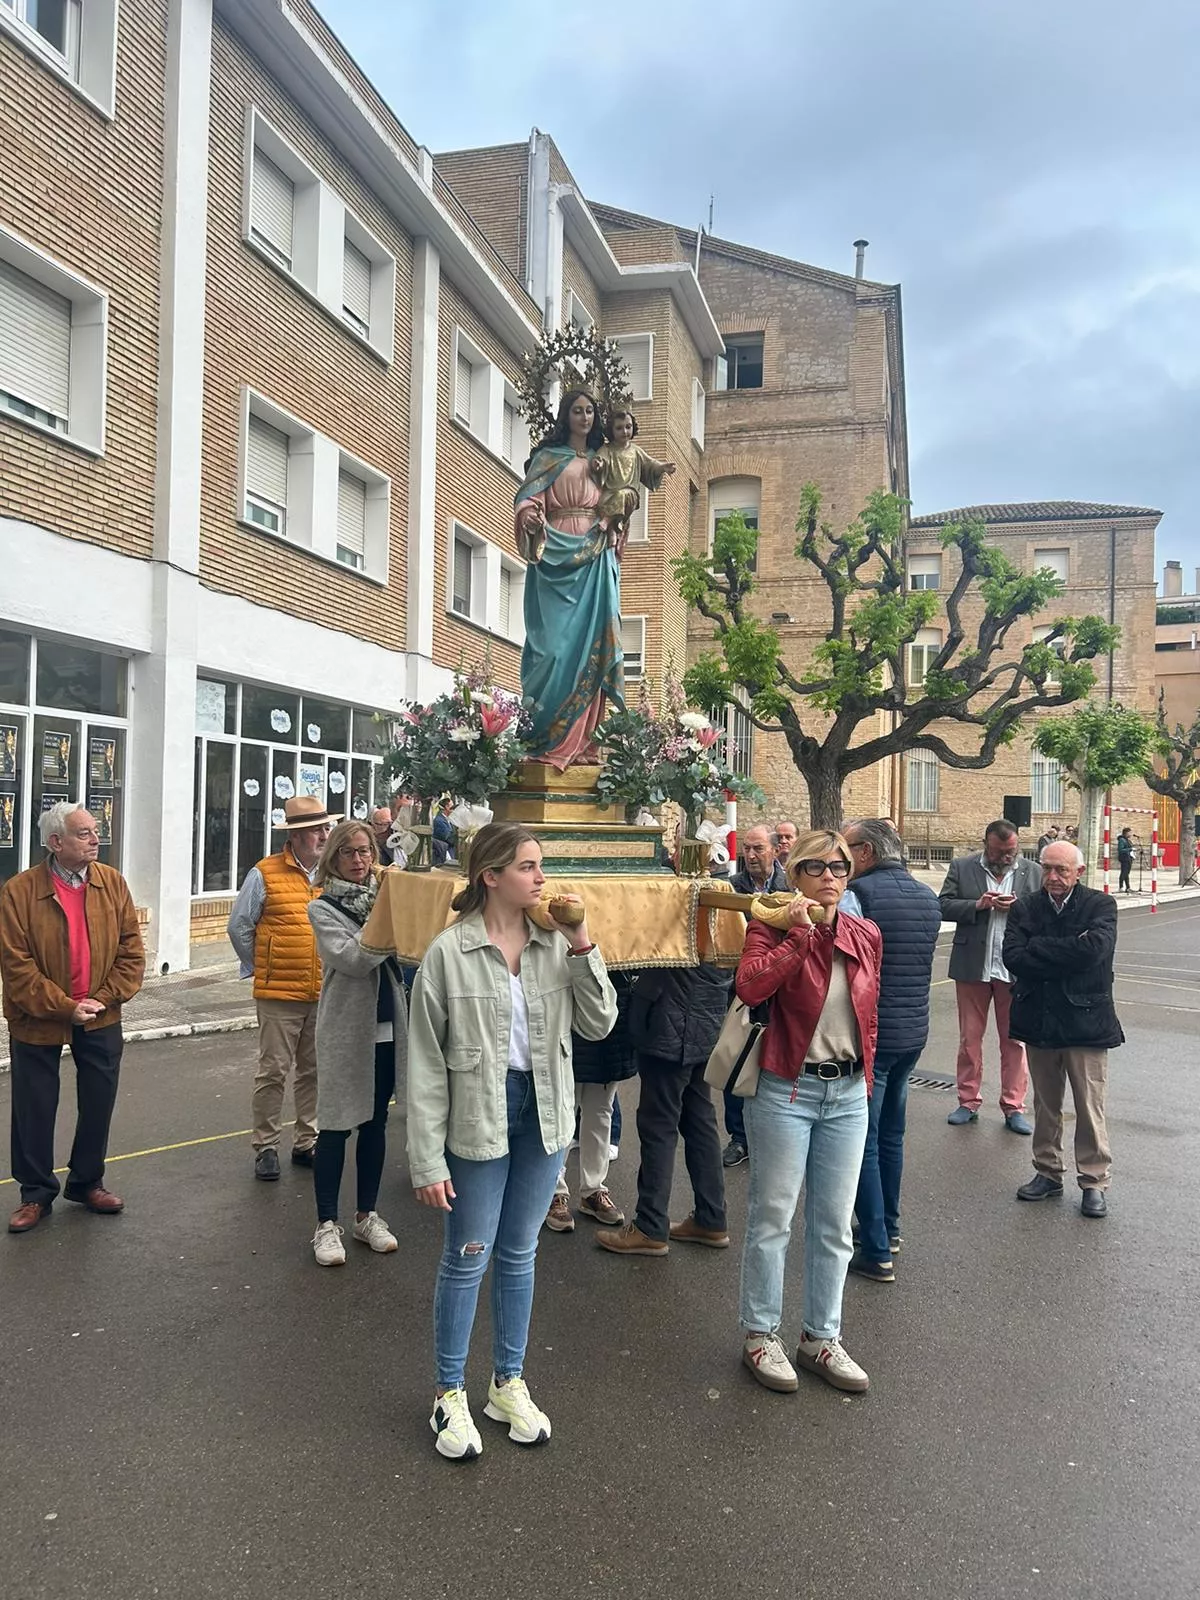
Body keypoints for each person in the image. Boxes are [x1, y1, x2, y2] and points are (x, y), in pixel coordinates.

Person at [407, 822, 617, 1460]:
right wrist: (425, 1158)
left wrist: (582, 941)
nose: (541, 877)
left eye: (541, 865)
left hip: (545, 1111)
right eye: (528, 866)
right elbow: (422, 1064)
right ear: (490, 876)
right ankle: (449, 1393)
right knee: (469, 1252)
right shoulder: (450, 952)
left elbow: (600, 1022)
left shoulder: (556, 945)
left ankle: (507, 1381)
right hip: (478, 1112)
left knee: (520, 1251)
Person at [734, 829, 881, 1395]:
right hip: (787, 1091)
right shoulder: (770, 927)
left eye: (840, 867)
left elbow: (870, 1015)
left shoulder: (865, 934)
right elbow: (749, 989)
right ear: (792, 875)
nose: (829, 877)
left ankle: (821, 1336)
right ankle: (759, 1334)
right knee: (772, 1219)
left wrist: (866, 1081)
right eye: (815, 867)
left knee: (834, 1225)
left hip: (846, 1093)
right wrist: (798, 936)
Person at [2, 803, 145, 1233]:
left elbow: (131, 952)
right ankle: (34, 1193)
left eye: (95, 831)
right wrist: (66, 1006)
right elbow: (16, 965)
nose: (96, 839)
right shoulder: (19, 891)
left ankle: (87, 1181)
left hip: (100, 1013)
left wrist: (100, 1000)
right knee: (34, 1105)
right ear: (55, 843)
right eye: (84, 833)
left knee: (99, 1101)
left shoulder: (113, 883)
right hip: (38, 1017)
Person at [840, 819, 941, 1283]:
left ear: (864, 852)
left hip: (873, 1034)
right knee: (892, 1136)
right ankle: (890, 1229)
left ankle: (876, 1247)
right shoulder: (926, 897)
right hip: (913, 1032)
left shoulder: (860, 897)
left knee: (863, 1140)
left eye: (846, 848)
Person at [306, 821, 408, 1267]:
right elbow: (353, 958)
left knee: (374, 1125)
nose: (359, 860)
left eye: (366, 851)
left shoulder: (384, 899)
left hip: (387, 1029)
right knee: (333, 1126)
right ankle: (326, 1224)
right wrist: (390, 924)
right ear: (333, 857)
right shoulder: (323, 907)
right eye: (348, 852)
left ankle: (367, 1214)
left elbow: (410, 945)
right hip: (347, 1032)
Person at [1003, 842, 1121, 1217]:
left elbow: (1094, 952)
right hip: (1039, 1021)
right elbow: (1013, 957)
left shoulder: (1100, 906)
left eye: (1061, 871)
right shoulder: (1025, 906)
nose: (1052, 877)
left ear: (1079, 873)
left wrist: (1039, 948)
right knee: (1045, 1105)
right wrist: (1069, 950)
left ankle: (1094, 1181)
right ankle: (1048, 1173)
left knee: (1089, 1106)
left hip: (1086, 1023)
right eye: (1047, 869)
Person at [227, 795, 335, 1180]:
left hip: (323, 991)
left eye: (326, 828)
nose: (325, 835)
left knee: (314, 1071)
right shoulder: (265, 872)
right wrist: (263, 966)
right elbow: (240, 925)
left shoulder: (331, 874)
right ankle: (266, 1146)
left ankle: (307, 1140)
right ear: (298, 835)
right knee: (273, 1071)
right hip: (279, 995)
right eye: (318, 829)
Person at [514, 389, 623, 769]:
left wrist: (614, 518)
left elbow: (621, 498)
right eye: (577, 410)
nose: (585, 417)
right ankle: (545, 740)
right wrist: (529, 515)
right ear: (566, 416)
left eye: (591, 410)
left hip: (595, 556)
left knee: (591, 648)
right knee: (555, 652)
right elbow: (528, 498)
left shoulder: (603, 459)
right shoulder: (548, 458)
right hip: (555, 550)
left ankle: (582, 745)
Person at [595, 958, 732, 1258]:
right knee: (699, 1117)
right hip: (708, 1007)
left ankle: (650, 1225)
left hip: (671, 1011)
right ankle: (711, 1217)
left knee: (659, 1123)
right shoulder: (728, 913)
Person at [938, 821, 1042, 1133]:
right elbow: (942, 905)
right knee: (970, 1040)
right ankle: (967, 1102)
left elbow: (1044, 912)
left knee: (1015, 1041)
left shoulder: (1033, 871)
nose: (1007, 857)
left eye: (1012, 851)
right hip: (973, 966)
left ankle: (1014, 1107)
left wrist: (1019, 908)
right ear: (986, 844)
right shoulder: (962, 866)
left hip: (1014, 970)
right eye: (1000, 852)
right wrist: (978, 905)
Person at [545, 971, 637, 1232]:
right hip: (567, 1011)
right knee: (563, 1111)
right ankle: (553, 1190)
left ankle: (593, 1189)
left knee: (600, 1111)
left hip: (611, 1018)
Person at [721, 824, 789, 1167]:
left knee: (774, 1067)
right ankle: (739, 1137)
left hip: (781, 991)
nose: (750, 855)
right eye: (746, 849)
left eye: (758, 848)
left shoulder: (791, 886)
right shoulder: (730, 889)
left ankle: (773, 1137)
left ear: (775, 851)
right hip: (740, 990)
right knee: (736, 1063)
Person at [589, 407, 675, 558]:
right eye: (619, 428)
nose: (625, 431)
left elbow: (650, 464)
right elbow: (599, 459)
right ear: (611, 430)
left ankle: (608, 520)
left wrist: (662, 467)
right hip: (609, 496)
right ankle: (612, 533)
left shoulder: (635, 451)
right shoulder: (607, 449)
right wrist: (598, 465)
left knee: (624, 495)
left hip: (630, 496)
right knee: (614, 499)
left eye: (628, 427)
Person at [432, 797, 456, 866]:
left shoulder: (448, 820)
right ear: (447, 807)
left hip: (449, 852)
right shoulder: (439, 821)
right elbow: (448, 838)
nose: (454, 809)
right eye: (452, 806)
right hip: (441, 855)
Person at [1117, 827, 1135, 893]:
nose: (1131, 834)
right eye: (1130, 832)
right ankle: (1121, 887)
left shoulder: (1127, 840)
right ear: (1126, 833)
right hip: (1124, 858)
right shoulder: (1122, 840)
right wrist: (1130, 849)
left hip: (1128, 858)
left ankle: (1128, 887)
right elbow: (1120, 850)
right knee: (1123, 873)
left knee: (1126, 873)